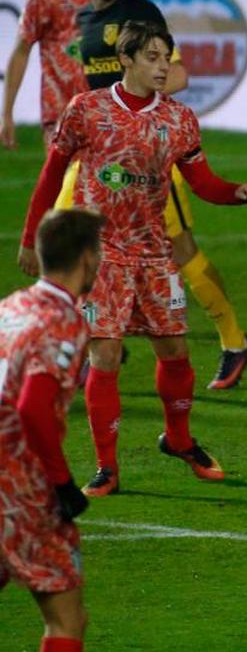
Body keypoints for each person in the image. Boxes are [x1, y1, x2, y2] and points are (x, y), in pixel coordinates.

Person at [19, 21, 247, 499]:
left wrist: (236, 193)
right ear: (126, 60)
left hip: (153, 249)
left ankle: (179, 439)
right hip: (98, 253)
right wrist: (32, 239)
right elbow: (51, 175)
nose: (162, 67)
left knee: (175, 352)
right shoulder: (86, 110)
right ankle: (106, 468)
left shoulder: (179, 119)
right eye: (152, 57)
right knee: (104, 354)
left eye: (166, 57)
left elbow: (203, 183)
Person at [66, 0, 247, 391]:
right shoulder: (84, 19)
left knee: (180, 250)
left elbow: (176, 73)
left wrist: (139, 115)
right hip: (98, 159)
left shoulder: (139, 13)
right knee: (68, 239)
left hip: (144, 159)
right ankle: (91, 341)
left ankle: (235, 342)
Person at [1, 209, 103, 652]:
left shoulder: (10, 307)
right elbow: (34, 410)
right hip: (19, 485)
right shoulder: (63, 322)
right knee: (66, 618)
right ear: (86, 257)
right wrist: (62, 485)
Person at [2, 0, 111, 152]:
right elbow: (21, 51)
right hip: (61, 119)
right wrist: (6, 113)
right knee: (68, 190)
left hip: (111, 120)